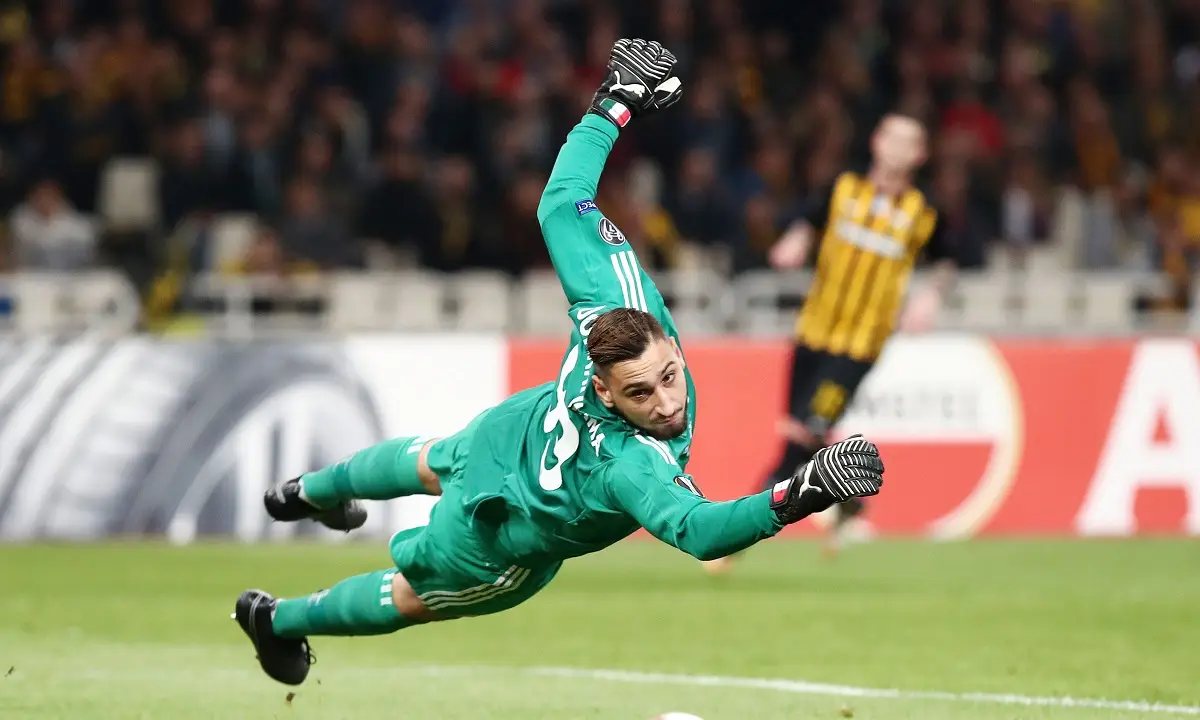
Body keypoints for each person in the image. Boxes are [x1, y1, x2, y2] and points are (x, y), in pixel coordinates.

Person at [232, 39, 886, 687]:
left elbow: (561, 200)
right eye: (639, 394)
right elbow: (700, 531)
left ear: (665, 338)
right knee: (413, 596)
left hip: (512, 433)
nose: (666, 403)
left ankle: (308, 491)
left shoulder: (611, 300)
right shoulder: (629, 464)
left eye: (669, 375)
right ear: (604, 389)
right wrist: (803, 491)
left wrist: (615, 103)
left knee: (431, 459)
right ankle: (277, 620)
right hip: (506, 527)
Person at [704, 113, 954, 572]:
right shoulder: (843, 188)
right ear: (876, 142)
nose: (898, 148)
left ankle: (733, 538)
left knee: (800, 436)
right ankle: (851, 502)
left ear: (920, 155)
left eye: (909, 142)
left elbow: (950, 257)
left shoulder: (925, 211)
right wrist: (796, 239)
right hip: (813, 331)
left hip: (859, 346)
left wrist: (931, 295)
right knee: (803, 433)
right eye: (892, 138)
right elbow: (808, 218)